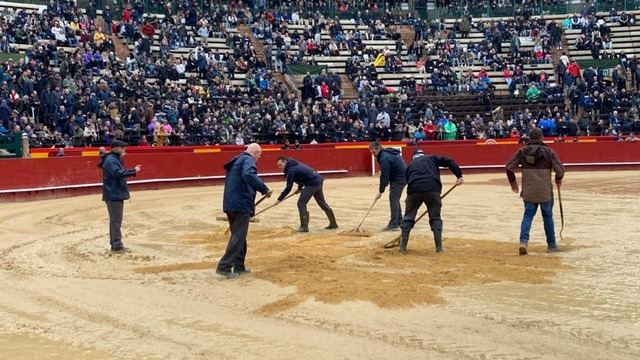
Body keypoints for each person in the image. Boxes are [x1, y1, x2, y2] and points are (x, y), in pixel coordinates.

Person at [506, 127, 565, 255]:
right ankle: (552, 245)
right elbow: (560, 170)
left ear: (530, 138)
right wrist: (558, 179)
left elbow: (509, 167)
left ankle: (523, 242)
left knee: (528, 216)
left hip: (529, 190)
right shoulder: (549, 152)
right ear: (542, 137)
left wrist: (513, 184)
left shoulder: (522, 151)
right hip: (545, 191)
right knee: (547, 216)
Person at [217, 143, 272, 278]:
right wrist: (263, 189)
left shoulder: (237, 160)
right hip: (241, 203)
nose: (259, 158)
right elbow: (248, 174)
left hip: (230, 203)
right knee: (238, 236)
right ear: (255, 152)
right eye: (260, 155)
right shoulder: (248, 160)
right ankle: (224, 267)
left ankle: (239, 267)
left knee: (239, 235)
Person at [400, 149, 464, 254]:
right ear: (423, 155)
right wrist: (459, 175)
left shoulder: (410, 166)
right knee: (435, 217)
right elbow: (449, 161)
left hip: (414, 190)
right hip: (432, 189)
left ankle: (403, 247)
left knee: (408, 217)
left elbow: (408, 181)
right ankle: (439, 248)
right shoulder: (432, 158)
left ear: (413, 158)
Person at [97, 140, 141, 253]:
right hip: (113, 193)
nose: (124, 149)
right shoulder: (111, 160)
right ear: (115, 148)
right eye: (122, 147)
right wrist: (133, 171)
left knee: (115, 220)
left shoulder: (113, 158)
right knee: (116, 221)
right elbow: (117, 173)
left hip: (114, 192)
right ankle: (116, 245)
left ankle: (116, 243)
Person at [276, 156, 338, 232]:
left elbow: (288, 187)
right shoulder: (296, 164)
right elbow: (303, 176)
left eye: (280, 165)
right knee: (322, 203)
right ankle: (333, 223)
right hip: (318, 180)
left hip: (312, 184)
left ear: (285, 162)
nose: (279, 167)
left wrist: (279, 199)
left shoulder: (291, 170)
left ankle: (304, 227)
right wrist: (299, 188)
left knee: (301, 203)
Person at [369, 142, 407, 231]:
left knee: (393, 198)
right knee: (395, 198)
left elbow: (385, 176)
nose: (373, 155)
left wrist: (381, 191)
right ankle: (399, 220)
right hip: (401, 176)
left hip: (399, 178)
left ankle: (394, 223)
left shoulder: (384, 157)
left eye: (374, 152)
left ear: (378, 149)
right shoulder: (386, 153)